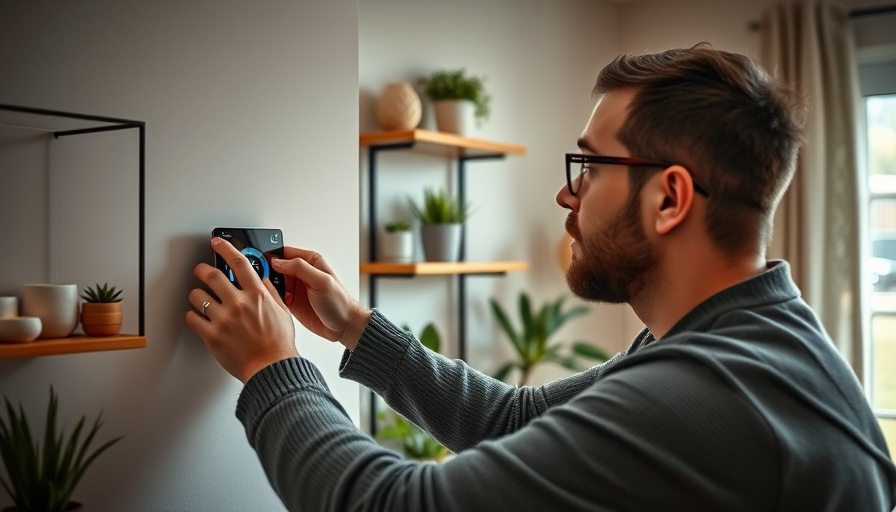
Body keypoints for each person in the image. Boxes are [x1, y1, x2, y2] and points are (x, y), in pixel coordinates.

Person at [186, 44, 896, 511]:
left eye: (589, 166)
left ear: (670, 198)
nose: (568, 193)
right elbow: (515, 421)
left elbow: (392, 506)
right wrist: (355, 328)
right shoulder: (739, 335)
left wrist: (272, 366)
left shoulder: (712, 391)